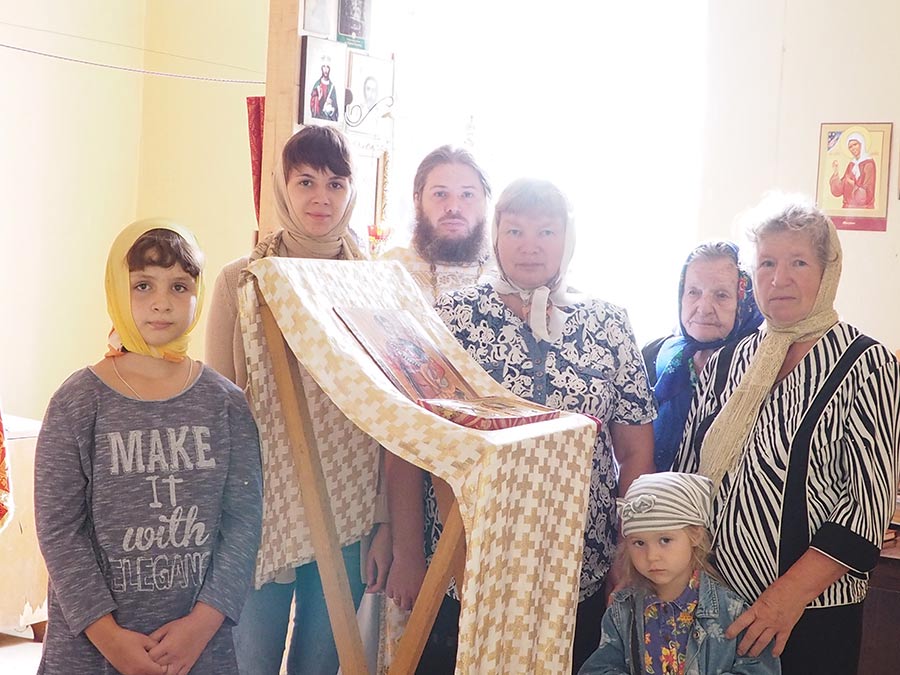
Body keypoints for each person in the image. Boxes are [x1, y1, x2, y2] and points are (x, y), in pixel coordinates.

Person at [432, 178, 656, 673]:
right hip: (470, 555)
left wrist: (628, 546)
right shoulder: (452, 317)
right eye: (514, 231)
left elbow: (635, 450)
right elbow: (419, 438)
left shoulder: (608, 323)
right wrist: (407, 549)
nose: (529, 245)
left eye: (546, 231)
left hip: (579, 562)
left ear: (567, 238)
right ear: (495, 236)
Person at [675, 195, 900, 674]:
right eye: (767, 263)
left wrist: (783, 600)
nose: (779, 279)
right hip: (714, 606)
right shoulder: (727, 362)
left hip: (810, 616)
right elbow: (688, 476)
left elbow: (866, 508)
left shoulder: (867, 364)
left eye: (798, 262)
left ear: (827, 271)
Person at [206, 125, 400, 675]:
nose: (321, 197)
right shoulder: (241, 282)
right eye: (306, 181)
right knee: (250, 660)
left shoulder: (376, 288)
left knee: (321, 662)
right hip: (260, 509)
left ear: (352, 192)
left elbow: (389, 417)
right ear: (282, 187)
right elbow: (220, 412)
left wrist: (385, 522)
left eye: (336, 183)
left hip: (349, 511)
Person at [35, 220, 262, 674]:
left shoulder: (226, 404)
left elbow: (243, 523)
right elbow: (59, 531)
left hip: (199, 649)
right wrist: (111, 639)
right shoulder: (77, 402)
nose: (162, 302)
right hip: (92, 652)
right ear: (117, 291)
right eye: (143, 285)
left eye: (179, 286)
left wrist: (201, 625)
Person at [579, 472, 781, 675]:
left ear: (695, 535)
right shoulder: (621, 611)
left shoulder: (731, 611)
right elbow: (598, 669)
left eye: (665, 540)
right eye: (639, 543)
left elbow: (761, 670)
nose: (652, 556)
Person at [642, 242, 763, 471]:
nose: (704, 307)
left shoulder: (763, 364)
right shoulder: (654, 354)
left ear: (745, 301)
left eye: (721, 295)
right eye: (693, 292)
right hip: (647, 492)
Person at [381, 145, 494, 303]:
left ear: (486, 202)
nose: (453, 207)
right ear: (417, 201)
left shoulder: (509, 274)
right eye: (440, 194)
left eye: (467, 194)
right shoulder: (387, 271)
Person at [829, 132, 876, 208]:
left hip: (864, 209)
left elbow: (868, 193)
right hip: (847, 208)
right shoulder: (851, 165)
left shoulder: (868, 164)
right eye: (850, 147)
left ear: (861, 144)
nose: (853, 148)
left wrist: (851, 184)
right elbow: (839, 190)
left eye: (855, 144)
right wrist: (836, 171)